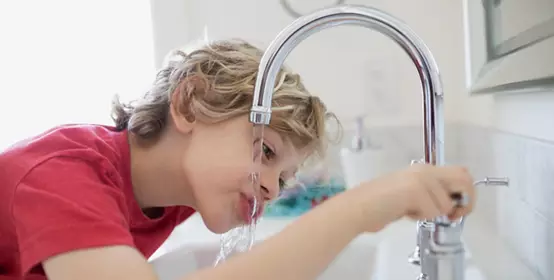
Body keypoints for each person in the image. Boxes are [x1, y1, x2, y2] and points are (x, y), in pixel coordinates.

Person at [0, 39, 475, 280]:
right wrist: (358, 210)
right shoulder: (63, 173)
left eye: (284, 178)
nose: (271, 187)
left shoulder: (168, 197)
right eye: (264, 151)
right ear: (189, 104)